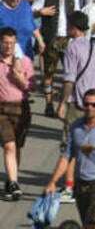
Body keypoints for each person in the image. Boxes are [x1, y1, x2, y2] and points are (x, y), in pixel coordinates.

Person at [44, 89, 95, 229]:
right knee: (86, 222)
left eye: (94, 104)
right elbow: (66, 156)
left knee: (93, 223)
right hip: (81, 183)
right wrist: (53, 182)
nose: (90, 108)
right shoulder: (75, 127)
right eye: (86, 104)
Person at [0, 26, 31, 200]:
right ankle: (13, 183)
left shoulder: (24, 61)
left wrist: (18, 76)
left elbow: (30, 86)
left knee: (17, 146)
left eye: (11, 43)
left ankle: (12, 180)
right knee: (9, 145)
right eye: (5, 42)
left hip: (21, 109)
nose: (8, 46)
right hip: (2, 110)